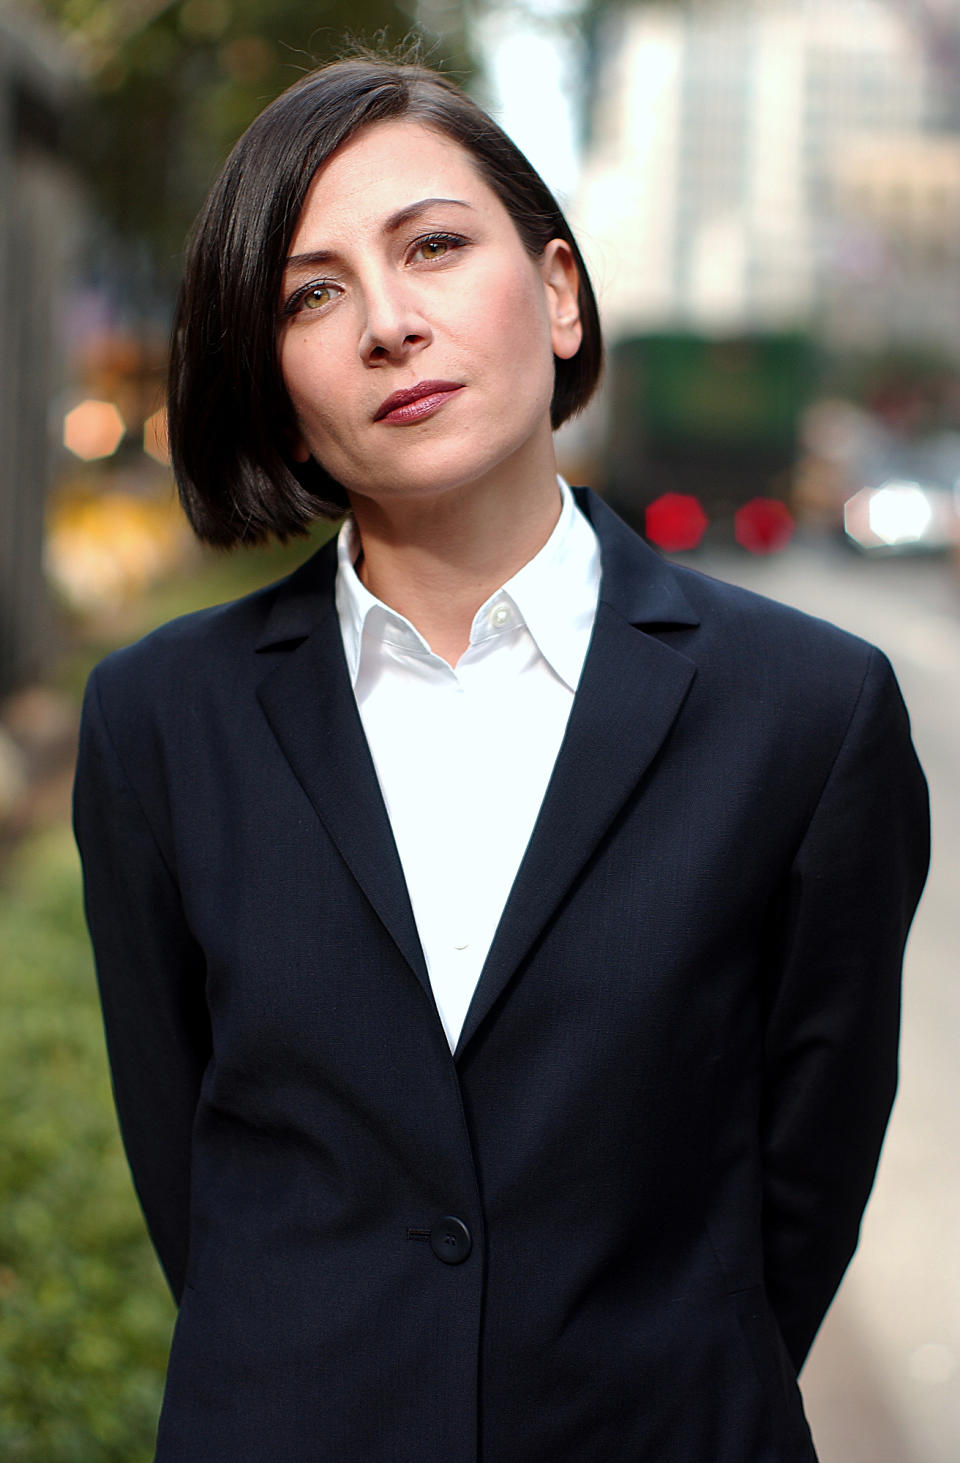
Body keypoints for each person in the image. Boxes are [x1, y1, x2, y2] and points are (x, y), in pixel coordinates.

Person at [73, 51, 929, 1463]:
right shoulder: (162, 723)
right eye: (312, 292)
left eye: (436, 246)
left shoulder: (809, 714)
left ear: (558, 290)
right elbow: (197, 1180)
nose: (389, 325)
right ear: (278, 384)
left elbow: (805, 1178)